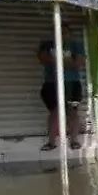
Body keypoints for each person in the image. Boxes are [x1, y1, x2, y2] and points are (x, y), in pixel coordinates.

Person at [36, 23, 85, 151]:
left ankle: (74, 140)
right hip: (52, 83)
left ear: (69, 34)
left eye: (64, 32)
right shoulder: (46, 44)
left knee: (72, 111)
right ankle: (51, 142)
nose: (61, 35)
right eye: (58, 32)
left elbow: (78, 63)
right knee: (54, 112)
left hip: (71, 82)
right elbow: (42, 59)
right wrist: (66, 61)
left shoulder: (75, 45)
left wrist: (57, 60)